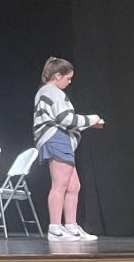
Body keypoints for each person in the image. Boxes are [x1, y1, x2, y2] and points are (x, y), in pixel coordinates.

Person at [34, 56, 104, 242]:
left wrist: (88, 124)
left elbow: (65, 120)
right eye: (68, 78)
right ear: (58, 75)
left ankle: (71, 226)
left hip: (61, 139)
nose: (70, 81)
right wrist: (92, 119)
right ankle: (55, 228)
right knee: (60, 185)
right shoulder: (51, 92)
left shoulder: (50, 92)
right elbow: (65, 119)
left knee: (74, 186)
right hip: (55, 139)